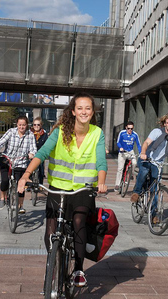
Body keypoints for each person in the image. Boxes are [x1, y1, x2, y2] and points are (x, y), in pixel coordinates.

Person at [18, 92, 108, 287]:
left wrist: (101, 182)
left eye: (88, 108)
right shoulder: (59, 132)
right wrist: (26, 175)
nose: (84, 112)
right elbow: (42, 153)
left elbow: (101, 161)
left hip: (83, 189)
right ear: (73, 111)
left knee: (78, 222)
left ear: (92, 112)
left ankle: (78, 269)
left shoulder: (97, 133)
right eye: (80, 108)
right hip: (58, 187)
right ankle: (53, 263)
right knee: (50, 230)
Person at [130, 113, 168, 208]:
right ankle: (136, 192)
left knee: (155, 189)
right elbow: (146, 143)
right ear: (164, 124)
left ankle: (153, 215)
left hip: (157, 163)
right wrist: (143, 153)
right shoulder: (157, 132)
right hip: (147, 158)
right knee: (144, 171)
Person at [0, 115, 37, 214]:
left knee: (21, 184)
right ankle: (3, 197)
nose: (21, 127)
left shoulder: (30, 134)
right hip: (7, 160)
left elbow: (33, 148)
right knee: (4, 180)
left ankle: (20, 206)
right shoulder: (11, 132)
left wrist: (32, 154)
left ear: (27, 125)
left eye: (24, 125)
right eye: (20, 125)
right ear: (17, 124)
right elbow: (1, 142)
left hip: (21, 162)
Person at [115, 121, 141, 191]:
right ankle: (117, 184)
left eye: (131, 129)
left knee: (134, 162)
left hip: (130, 152)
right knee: (120, 169)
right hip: (122, 152)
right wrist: (120, 147)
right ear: (126, 127)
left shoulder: (135, 135)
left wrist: (141, 153)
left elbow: (138, 145)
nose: (130, 130)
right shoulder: (122, 133)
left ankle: (131, 173)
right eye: (128, 128)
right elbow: (118, 142)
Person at [30, 117, 48, 185]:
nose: (36, 126)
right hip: (31, 154)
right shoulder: (29, 133)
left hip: (40, 154)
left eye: (38, 125)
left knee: (41, 169)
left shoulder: (44, 134)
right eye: (35, 125)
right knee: (29, 168)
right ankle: (29, 184)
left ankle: (40, 184)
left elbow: (46, 145)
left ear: (41, 125)